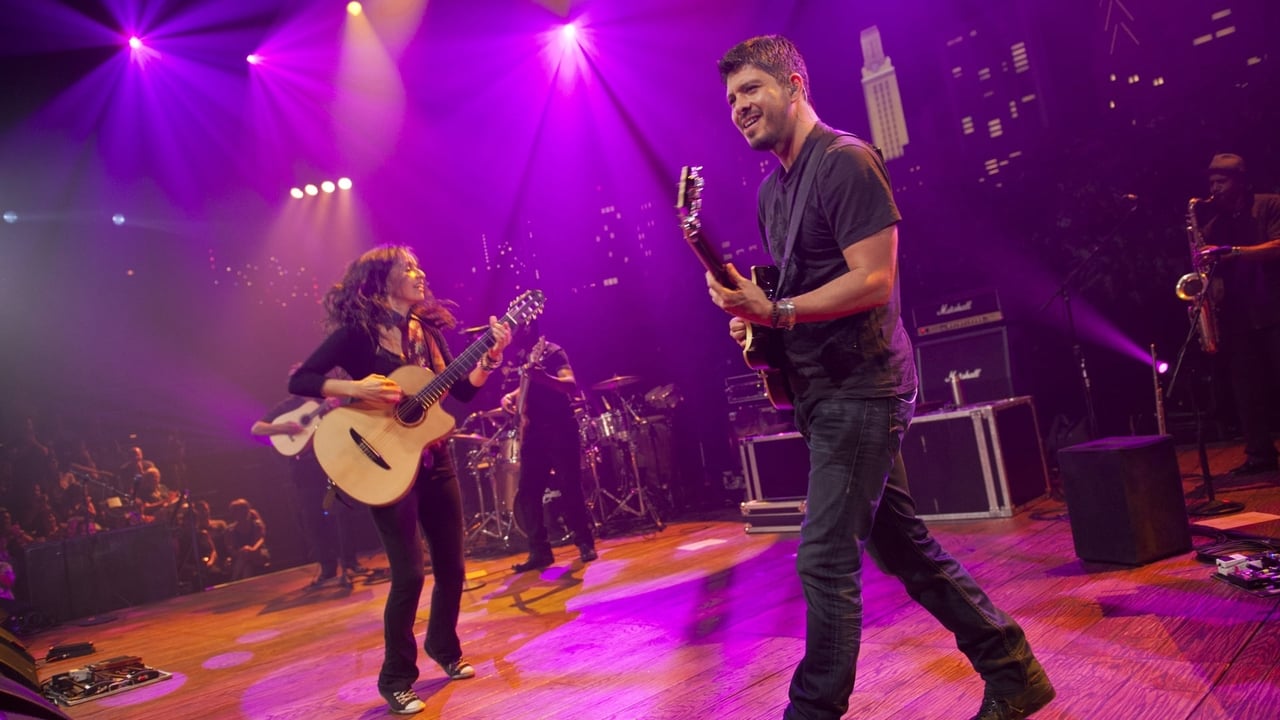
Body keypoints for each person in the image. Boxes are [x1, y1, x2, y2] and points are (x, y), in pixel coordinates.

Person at [707, 36, 1054, 720]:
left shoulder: (846, 162)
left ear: (794, 85)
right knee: (907, 551)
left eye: (751, 90)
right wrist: (753, 321)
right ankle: (1015, 672)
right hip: (819, 393)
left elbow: (873, 279)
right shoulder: (773, 194)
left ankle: (812, 711)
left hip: (865, 389)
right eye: (731, 100)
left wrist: (770, 307)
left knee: (823, 557)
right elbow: (797, 297)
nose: (740, 107)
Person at [288, 244, 512, 715]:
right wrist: (355, 388)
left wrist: (490, 358)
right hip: (383, 460)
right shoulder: (358, 333)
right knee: (409, 574)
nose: (419, 271)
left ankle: (444, 649)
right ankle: (395, 679)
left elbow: (463, 393)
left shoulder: (428, 332)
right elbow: (302, 380)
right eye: (407, 267)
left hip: (433, 456)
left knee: (453, 567)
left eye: (418, 264)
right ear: (381, 280)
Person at [1196, 153, 1280, 476]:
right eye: (1211, 181)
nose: (1215, 187)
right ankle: (1259, 454)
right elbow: (1212, 274)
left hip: (1273, 307)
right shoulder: (1214, 225)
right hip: (1238, 315)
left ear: (1240, 181)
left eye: (1222, 180)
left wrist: (1234, 253)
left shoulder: (1270, 205)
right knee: (1247, 389)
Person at [251, 368, 367, 589]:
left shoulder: (325, 400)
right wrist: (283, 427)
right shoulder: (286, 406)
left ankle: (350, 562)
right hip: (303, 468)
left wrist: (337, 408)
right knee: (313, 517)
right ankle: (327, 566)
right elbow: (256, 428)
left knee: (341, 510)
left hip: (329, 462)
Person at [500, 326, 598, 572]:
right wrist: (511, 396)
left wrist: (544, 377)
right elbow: (528, 386)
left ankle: (584, 543)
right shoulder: (523, 356)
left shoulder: (553, 352)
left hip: (560, 427)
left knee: (570, 487)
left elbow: (570, 384)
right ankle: (539, 551)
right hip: (534, 432)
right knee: (527, 493)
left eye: (519, 326)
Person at [226, 497, 269, 580]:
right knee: (247, 567)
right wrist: (240, 552)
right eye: (238, 511)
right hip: (240, 556)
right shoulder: (230, 530)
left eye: (243, 510)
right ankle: (244, 584)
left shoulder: (256, 525)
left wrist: (250, 549)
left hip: (258, 553)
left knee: (246, 556)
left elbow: (260, 540)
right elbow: (230, 548)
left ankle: (234, 580)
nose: (242, 513)